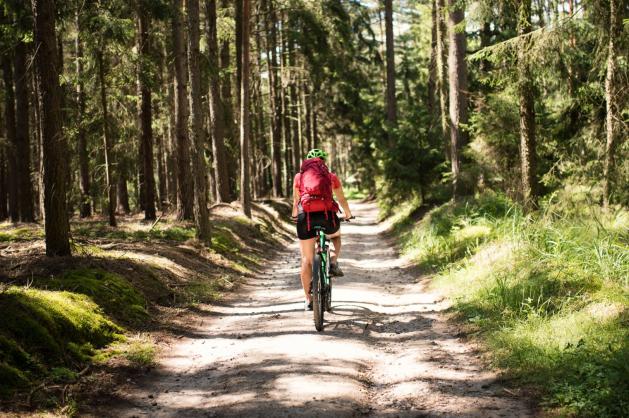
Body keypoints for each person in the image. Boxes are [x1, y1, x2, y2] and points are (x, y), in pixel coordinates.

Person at [291, 148, 353, 310]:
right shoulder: (331, 177)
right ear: (323, 162)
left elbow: (296, 201)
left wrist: (295, 215)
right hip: (327, 217)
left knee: (306, 259)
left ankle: (308, 300)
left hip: (306, 219)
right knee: (336, 236)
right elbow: (341, 198)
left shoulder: (299, 177)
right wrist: (348, 213)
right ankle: (332, 262)